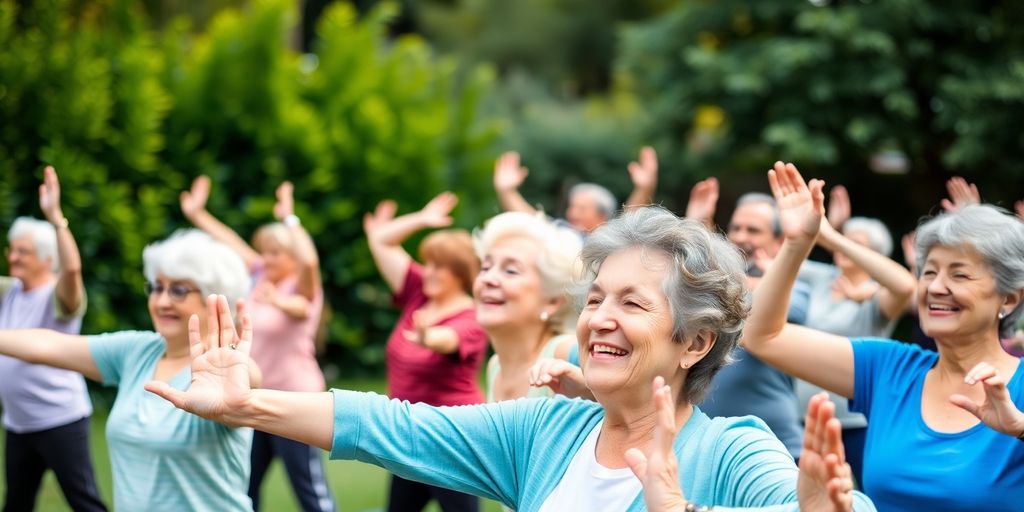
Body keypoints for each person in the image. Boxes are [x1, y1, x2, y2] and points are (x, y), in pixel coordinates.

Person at [148, 206, 874, 512]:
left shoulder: (733, 452)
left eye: (632, 303)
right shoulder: (546, 430)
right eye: (596, 300)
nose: (601, 320)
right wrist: (248, 404)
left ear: (694, 343)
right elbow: (390, 425)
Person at [742, 162, 1024, 510]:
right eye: (929, 272)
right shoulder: (889, 368)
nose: (936, 287)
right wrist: (799, 243)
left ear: (1009, 298)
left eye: (960, 275)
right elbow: (761, 337)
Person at [0, 230, 260, 510]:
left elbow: (247, 384)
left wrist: (241, 371)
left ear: (215, 297)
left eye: (179, 290)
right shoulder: (137, 350)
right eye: (157, 287)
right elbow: (50, 345)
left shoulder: (226, 369)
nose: (161, 302)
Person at [181, 176, 335, 512]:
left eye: (276, 253)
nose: (267, 258)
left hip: (297, 399)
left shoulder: (303, 286)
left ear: (292, 256)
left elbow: (309, 262)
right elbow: (230, 241)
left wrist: (289, 218)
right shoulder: (259, 277)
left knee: (308, 489)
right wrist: (197, 214)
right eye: (264, 252)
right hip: (253, 396)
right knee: (245, 486)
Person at [363, 192, 487, 512]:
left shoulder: (473, 316)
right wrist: (421, 219)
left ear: (460, 273)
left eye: (439, 267)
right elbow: (381, 241)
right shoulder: (419, 291)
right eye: (428, 263)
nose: (428, 271)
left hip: (450, 437)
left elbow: (448, 340)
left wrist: (428, 337)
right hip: (407, 432)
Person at [0, 166, 106, 512]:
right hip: (18, 423)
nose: (13, 257)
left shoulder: (60, 299)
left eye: (23, 252)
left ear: (48, 260)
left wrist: (56, 218)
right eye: (11, 250)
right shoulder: (9, 290)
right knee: (16, 503)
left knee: (85, 503)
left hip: (60, 420)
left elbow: (73, 271)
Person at [794, 185, 917, 484]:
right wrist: (827, 228)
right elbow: (785, 258)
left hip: (857, 422)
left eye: (856, 244)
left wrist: (870, 288)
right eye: (844, 242)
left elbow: (904, 286)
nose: (845, 248)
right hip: (803, 418)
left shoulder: (879, 298)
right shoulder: (823, 278)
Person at [687, 188, 810, 461]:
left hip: (775, 446)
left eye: (753, 230)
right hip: (707, 446)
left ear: (779, 242)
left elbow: (759, 322)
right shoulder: (713, 285)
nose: (741, 237)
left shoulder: (793, 290)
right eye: (736, 228)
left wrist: (718, 271)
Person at [473, 211, 583, 402]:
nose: (488, 279)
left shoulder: (568, 353)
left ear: (552, 301)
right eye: (485, 267)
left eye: (510, 271)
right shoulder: (495, 366)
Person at [492, 147, 658, 234]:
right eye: (572, 207)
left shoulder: (610, 241)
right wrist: (507, 192)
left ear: (602, 216)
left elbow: (629, 221)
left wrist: (644, 189)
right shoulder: (564, 236)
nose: (573, 213)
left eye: (582, 209)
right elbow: (531, 221)